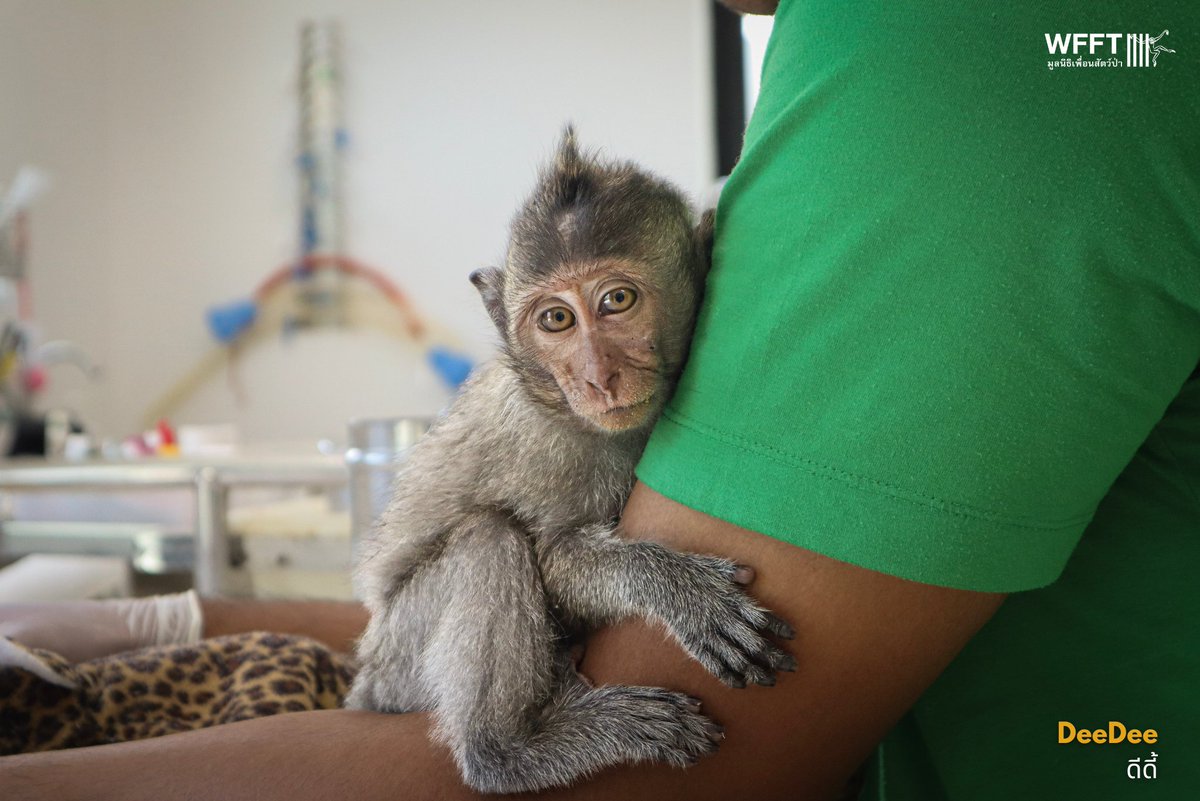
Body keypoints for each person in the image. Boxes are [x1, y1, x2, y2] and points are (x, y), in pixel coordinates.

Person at [3, 1, 1198, 798]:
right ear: (505, 319)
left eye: (619, 304)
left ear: (699, 257)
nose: (594, 368)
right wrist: (169, 622)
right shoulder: (553, 417)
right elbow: (533, 578)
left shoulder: (975, 63)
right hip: (458, 635)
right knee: (490, 544)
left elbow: (704, 730)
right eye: (554, 325)